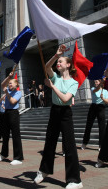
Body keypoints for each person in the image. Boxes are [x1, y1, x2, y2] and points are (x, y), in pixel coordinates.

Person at [33, 45, 82, 189]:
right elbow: (47, 67)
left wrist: (52, 87)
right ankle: (44, 171)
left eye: (61, 61)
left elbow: (66, 99)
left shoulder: (73, 82)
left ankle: (75, 180)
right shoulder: (55, 77)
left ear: (68, 65)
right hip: (54, 111)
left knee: (69, 146)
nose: (58, 63)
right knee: (50, 142)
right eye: (58, 62)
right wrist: (56, 55)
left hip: (65, 113)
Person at [0, 71, 24, 165]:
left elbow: (12, 101)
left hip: (14, 113)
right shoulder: (7, 90)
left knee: (16, 135)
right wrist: (8, 77)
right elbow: (2, 84)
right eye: (9, 84)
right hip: (6, 113)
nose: (9, 85)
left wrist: (6, 93)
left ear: (16, 85)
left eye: (11, 83)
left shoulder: (18, 92)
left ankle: (18, 157)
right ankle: (4, 154)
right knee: (5, 135)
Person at [81, 79, 108, 151]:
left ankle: (101, 145)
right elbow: (95, 90)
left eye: (96, 82)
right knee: (88, 125)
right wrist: (101, 82)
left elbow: (107, 102)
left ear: (100, 82)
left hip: (101, 108)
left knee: (102, 127)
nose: (95, 83)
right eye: (95, 82)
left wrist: (103, 98)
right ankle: (84, 143)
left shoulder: (105, 91)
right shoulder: (93, 88)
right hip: (93, 107)